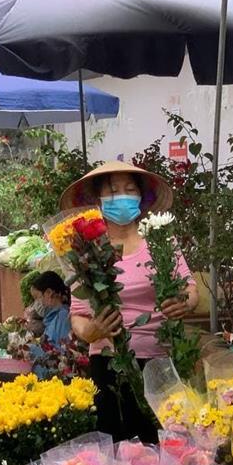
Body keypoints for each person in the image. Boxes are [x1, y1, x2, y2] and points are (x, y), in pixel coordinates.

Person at [64, 161, 198, 443]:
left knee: (163, 445)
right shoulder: (86, 250)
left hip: (159, 361)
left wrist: (184, 302)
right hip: (109, 362)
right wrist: (90, 332)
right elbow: (78, 314)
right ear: (98, 201)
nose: (121, 198)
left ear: (141, 197)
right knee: (116, 450)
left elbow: (190, 288)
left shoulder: (160, 241)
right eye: (112, 192)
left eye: (129, 190)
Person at [29, 271, 71, 346]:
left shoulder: (63, 316)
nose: (38, 302)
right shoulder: (54, 316)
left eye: (38, 297)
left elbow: (60, 350)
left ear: (49, 292)